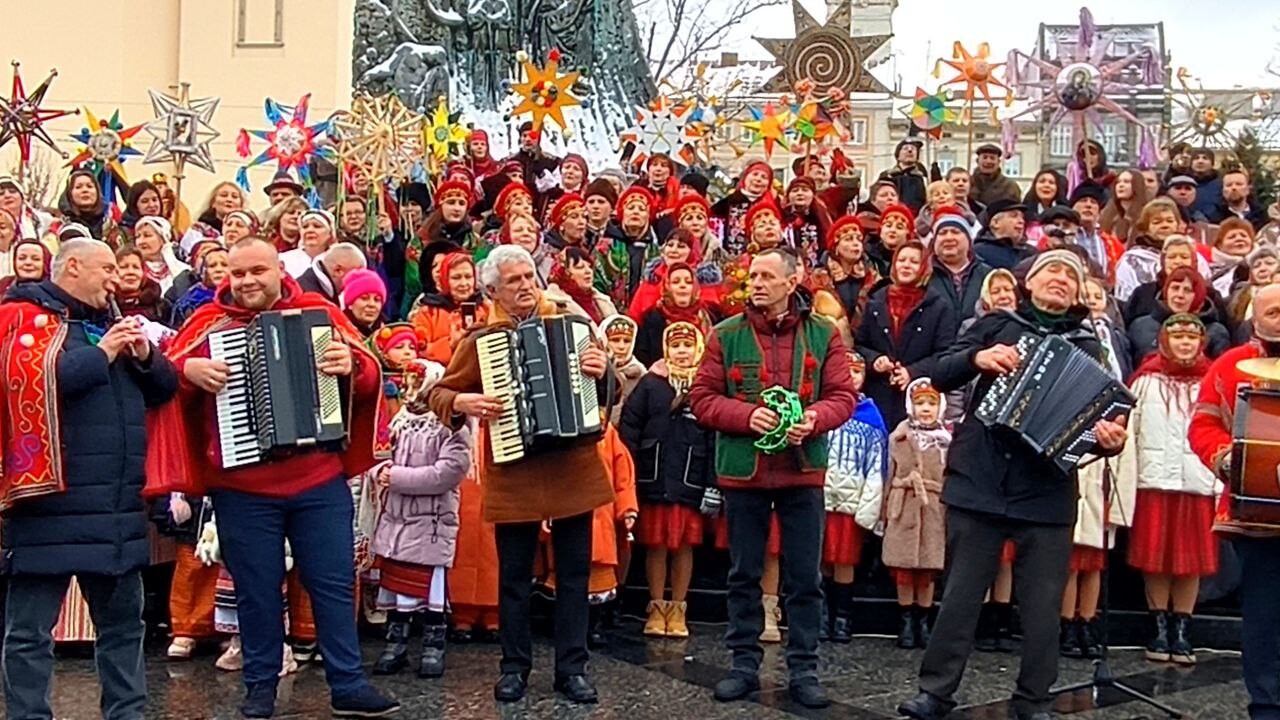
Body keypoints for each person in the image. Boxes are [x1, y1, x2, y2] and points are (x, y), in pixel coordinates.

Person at [150, 237, 399, 718]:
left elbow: (370, 375)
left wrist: (353, 367)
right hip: (241, 487)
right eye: (238, 273)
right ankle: (260, 686)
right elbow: (166, 377)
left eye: (256, 271)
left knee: (332, 584)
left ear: (278, 271)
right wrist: (187, 370)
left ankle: (348, 684)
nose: (246, 281)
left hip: (318, 479)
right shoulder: (207, 323)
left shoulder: (319, 313)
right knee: (256, 591)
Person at [896, 250, 1129, 720]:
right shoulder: (996, 325)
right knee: (960, 597)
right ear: (1030, 282)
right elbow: (937, 372)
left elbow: (1091, 425)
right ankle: (935, 692)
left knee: (1042, 607)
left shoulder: (1088, 347)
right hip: (980, 479)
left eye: (1070, 275)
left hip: (1045, 491)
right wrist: (977, 357)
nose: (1060, 279)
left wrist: (1109, 441)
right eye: (1051, 270)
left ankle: (1034, 700)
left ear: (1079, 293)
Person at [426, 244, 613, 704]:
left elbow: (607, 390)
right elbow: (439, 394)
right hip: (515, 468)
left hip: (572, 464)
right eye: (514, 281)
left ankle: (573, 669)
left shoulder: (572, 325)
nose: (526, 286)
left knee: (574, 574)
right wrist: (462, 402)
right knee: (513, 577)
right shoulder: (481, 341)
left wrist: (602, 371)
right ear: (492, 291)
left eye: (530, 276)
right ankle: (514, 668)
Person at [0, 238, 178, 720]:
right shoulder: (24, 317)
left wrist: (144, 355)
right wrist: (103, 352)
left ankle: (127, 713)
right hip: (47, 507)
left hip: (116, 508)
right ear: (73, 266)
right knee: (29, 633)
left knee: (124, 628)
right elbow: (37, 383)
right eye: (107, 269)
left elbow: (165, 388)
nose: (115, 280)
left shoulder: (111, 323)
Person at [689, 248, 856, 710]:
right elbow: (702, 398)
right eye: (753, 276)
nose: (757, 284)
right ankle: (743, 665)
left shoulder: (823, 333)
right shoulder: (725, 333)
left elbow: (842, 395)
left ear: (791, 280)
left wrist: (815, 418)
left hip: (802, 472)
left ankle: (804, 670)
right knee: (744, 573)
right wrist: (746, 416)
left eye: (766, 276)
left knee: (805, 578)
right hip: (745, 474)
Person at [1188, 283, 1280, 720]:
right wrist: (1226, 457)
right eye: (1274, 312)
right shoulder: (1230, 364)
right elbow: (1202, 425)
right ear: (1254, 319)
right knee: (1265, 616)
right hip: (1256, 517)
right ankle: (1267, 705)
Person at [1116, 314, 1217, 667]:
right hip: (1154, 480)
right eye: (1178, 337)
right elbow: (1132, 433)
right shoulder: (1146, 381)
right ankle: (1158, 624)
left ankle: (1183, 627)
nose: (1185, 343)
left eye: (1192, 337)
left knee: (1191, 561)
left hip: (1197, 481)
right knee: (1155, 557)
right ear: (1164, 341)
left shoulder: (1212, 382)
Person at [370, 359, 471, 679]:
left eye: (416, 382)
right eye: (407, 382)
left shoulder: (451, 425)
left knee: (430, 588)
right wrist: (380, 471)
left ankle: (433, 644)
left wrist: (397, 478)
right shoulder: (400, 420)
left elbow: (447, 473)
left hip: (431, 522)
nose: (409, 389)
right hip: (397, 519)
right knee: (396, 585)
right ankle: (396, 643)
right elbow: (378, 453)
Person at [620, 321, 717, 639]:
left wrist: (713, 483)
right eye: (675, 346)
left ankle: (678, 607)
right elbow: (631, 427)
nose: (682, 351)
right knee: (657, 545)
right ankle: (656, 605)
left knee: (684, 546)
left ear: (698, 349)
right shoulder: (651, 384)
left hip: (691, 478)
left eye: (688, 345)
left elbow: (714, 437)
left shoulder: (705, 386)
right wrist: (631, 473)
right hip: (655, 476)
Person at [821, 351, 886, 643]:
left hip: (852, 503)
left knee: (845, 560)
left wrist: (869, 507)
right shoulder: (823, 410)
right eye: (845, 370)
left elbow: (876, 467)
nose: (851, 377)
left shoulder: (871, 418)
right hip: (822, 499)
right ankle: (822, 614)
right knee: (821, 557)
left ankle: (843, 617)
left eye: (857, 371)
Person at [857, 241, 958, 429]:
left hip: (919, 399)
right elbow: (859, 345)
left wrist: (912, 372)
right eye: (902, 260)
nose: (906, 265)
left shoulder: (939, 306)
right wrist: (875, 360)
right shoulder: (875, 301)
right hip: (878, 396)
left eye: (914, 261)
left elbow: (945, 354)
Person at [882, 378, 950, 649]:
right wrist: (886, 508)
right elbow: (889, 474)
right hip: (904, 506)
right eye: (920, 403)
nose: (925, 409)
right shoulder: (898, 437)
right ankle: (906, 619)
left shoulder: (946, 442)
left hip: (933, 507)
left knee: (927, 569)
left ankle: (924, 618)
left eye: (931, 403)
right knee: (904, 568)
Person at [1126, 267, 1231, 365]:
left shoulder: (1215, 332)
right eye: (1175, 288)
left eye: (1187, 290)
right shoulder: (1141, 327)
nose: (1180, 295)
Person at [409, 252, 488, 363]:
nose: (463, 283)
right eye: (456, 278)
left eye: (468, 277)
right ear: (444, 280)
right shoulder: (427, 312)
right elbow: (418, 352)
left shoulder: (487, 308)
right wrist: (450, 344)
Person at [633, 261, 716, 367]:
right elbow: (643, 356)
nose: (683, 285)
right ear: (667, 287)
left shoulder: (707, 316)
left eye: (688, 282)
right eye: (676, 282)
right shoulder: (653, 319)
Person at [927, 207, 991, 325]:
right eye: (942, 233)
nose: (948, 238)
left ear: (969, 240)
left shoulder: (987, 275)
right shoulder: (924, 275)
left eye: (955, 232)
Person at [1114, 198, 1185, 302]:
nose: (1165, 225)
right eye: (1157, 222)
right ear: (1146, 228)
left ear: (1178, 225)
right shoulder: (1132, 260)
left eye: (1170, 221)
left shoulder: (1193, 256)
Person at [825, 216, 881, 324]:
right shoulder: (821, 277)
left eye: (859, 239)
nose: (856, 244)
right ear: (835, 246)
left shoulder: (871, 276)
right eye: (848, 239)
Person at [296, 242, 368, 305]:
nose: (358, 282)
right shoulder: (308, 297)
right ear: (338, 270)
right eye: (356, 276)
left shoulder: (311, 286)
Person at [974, 199, 1034, 270]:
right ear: (996, 223)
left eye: (1023, 218)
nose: (1021, 221)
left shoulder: (1032, 252)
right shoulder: (978, 252)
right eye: (1014, 216)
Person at [1099, 169, 1151, 243]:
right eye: (1118, 182)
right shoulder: (1106, 214)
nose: (1121, 185)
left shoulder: (1146, 215)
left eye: (1126, 182)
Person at [56, 169, 109, 241]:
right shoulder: (59, 226)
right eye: (78, 187)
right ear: (70, 194)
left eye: (89, 186)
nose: (85, 190)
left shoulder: (111, 221)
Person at [282, 209, 336, 279]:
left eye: (317, 226)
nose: (309, 230)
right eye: (305, 227)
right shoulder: (284, 259)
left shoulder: (337, 260)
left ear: (330, 233)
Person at [879, 138, 928, 212]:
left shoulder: (922, 178)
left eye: (913, 149)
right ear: (898, 155)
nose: (910, 151)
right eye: (905, 148)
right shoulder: (887, 176)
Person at [341, 268, 388, 338]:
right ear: (350, 304)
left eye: (377, 299)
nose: (372, 304)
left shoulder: (390, 331)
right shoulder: (338, 332)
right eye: (364, 298)